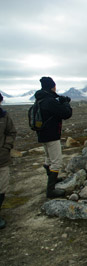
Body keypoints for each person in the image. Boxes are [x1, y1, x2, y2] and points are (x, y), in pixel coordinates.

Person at [34, 77, 72, 198]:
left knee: (49, 159)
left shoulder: (39, 100)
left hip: (42, 134)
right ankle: (51, 190)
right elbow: (66, 113)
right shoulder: (49, 101)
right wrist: (65, 103)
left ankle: (52, 179)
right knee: (57, 161)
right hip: (52, 135)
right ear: (52, 86)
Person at [0, 93, 17, 229]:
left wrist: (6, 147)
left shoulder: (4, 116)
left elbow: (11, 132)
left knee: (2, 186)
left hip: (2, 158)